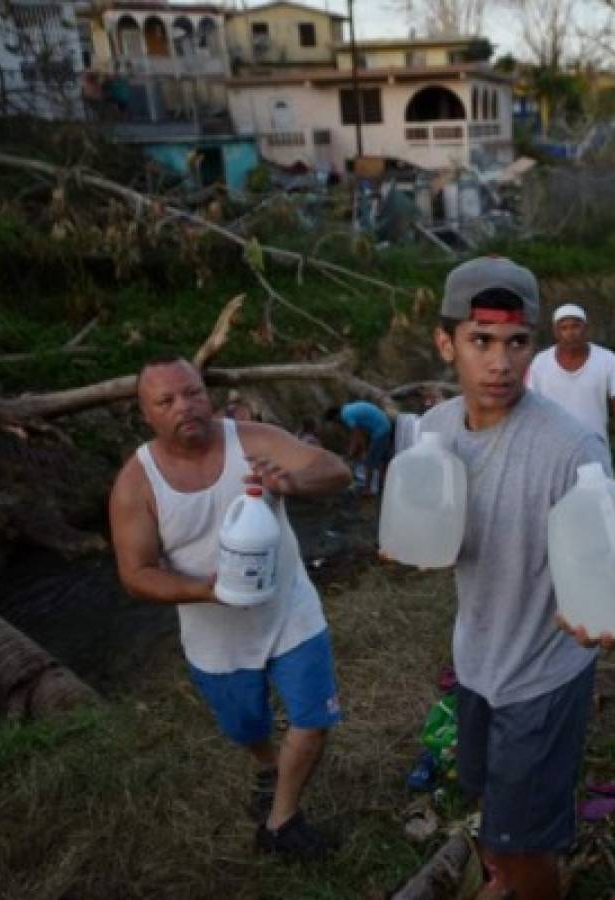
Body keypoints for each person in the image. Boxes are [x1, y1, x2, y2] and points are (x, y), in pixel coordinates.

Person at [419, 256, 615, 900]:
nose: (500, 362)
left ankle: (525, 882)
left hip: (543, 673)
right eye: (481, 341)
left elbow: (611, 555)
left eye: (517, 342)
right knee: (486, 794)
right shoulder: (435, 431)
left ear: (536, 347)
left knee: (528, 845)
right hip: (475, 660)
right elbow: (437, 531)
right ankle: (501, 875)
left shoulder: (572, 447)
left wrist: (609, 610)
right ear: (447, 344)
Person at [109, 357, 351, 861]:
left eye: (193, 393)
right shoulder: (137, 483)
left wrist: (294, 483)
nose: (185, 407)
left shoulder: (252, 439)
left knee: (313, 716)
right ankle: (268, 767)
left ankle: (281, 820)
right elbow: (136, 574)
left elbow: (335, 469)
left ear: (208, 393)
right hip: (214, 632)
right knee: (246, 727)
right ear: (145, 414)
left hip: (290, 612)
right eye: (166, 401)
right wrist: (205, 590)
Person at [526, 303, 615, 481]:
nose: (571, 333)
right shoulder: (540, 363)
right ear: (555, 332)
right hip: (552, 453)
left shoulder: (607, 359)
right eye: (564, 328)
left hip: (594, 449)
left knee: (600, 501)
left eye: (576, 326)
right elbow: (529, 409)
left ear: (586, 329)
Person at [324, 400, 392, 497]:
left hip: (380, 430)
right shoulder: (347, 409)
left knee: (369, 462)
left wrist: (353, 454)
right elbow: (358, 435)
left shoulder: (346, 416)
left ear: (336, 416)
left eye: (335, 422)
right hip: (384, 424)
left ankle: (367, 490)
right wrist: (357, 450)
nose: (337, 424)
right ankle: (383, 486)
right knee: (381, 459)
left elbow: (357, 437)